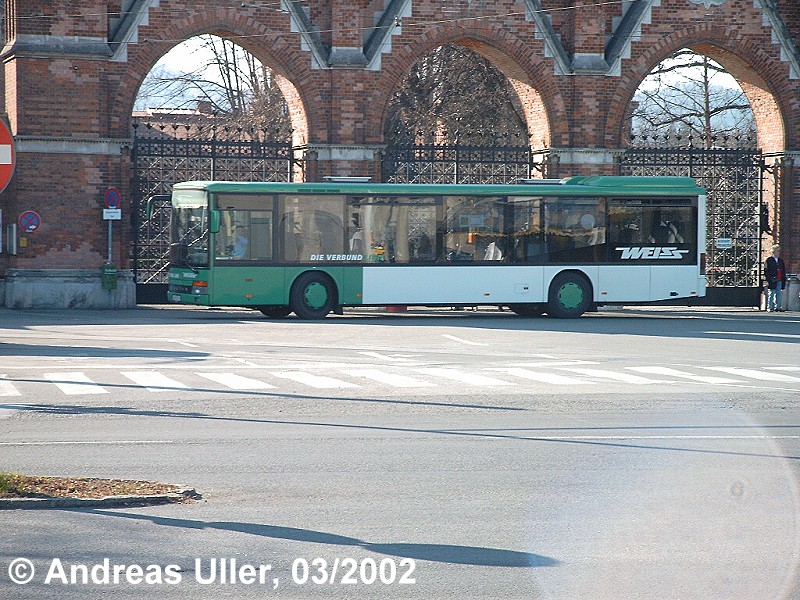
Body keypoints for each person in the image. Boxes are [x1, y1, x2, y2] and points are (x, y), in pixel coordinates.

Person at [764, 243, 787, 312]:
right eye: (778, 250)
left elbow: (783, 270)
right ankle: (770, 307)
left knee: (778, 293)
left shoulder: (780, 260)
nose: (779, 252)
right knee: (772, 292)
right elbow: (766, 270)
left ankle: (778, 307)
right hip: (772, 279)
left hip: (779, 278)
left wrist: (784, 278)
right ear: (774, 251)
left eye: (779, 250)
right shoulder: (769, 260)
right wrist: (769, 278)